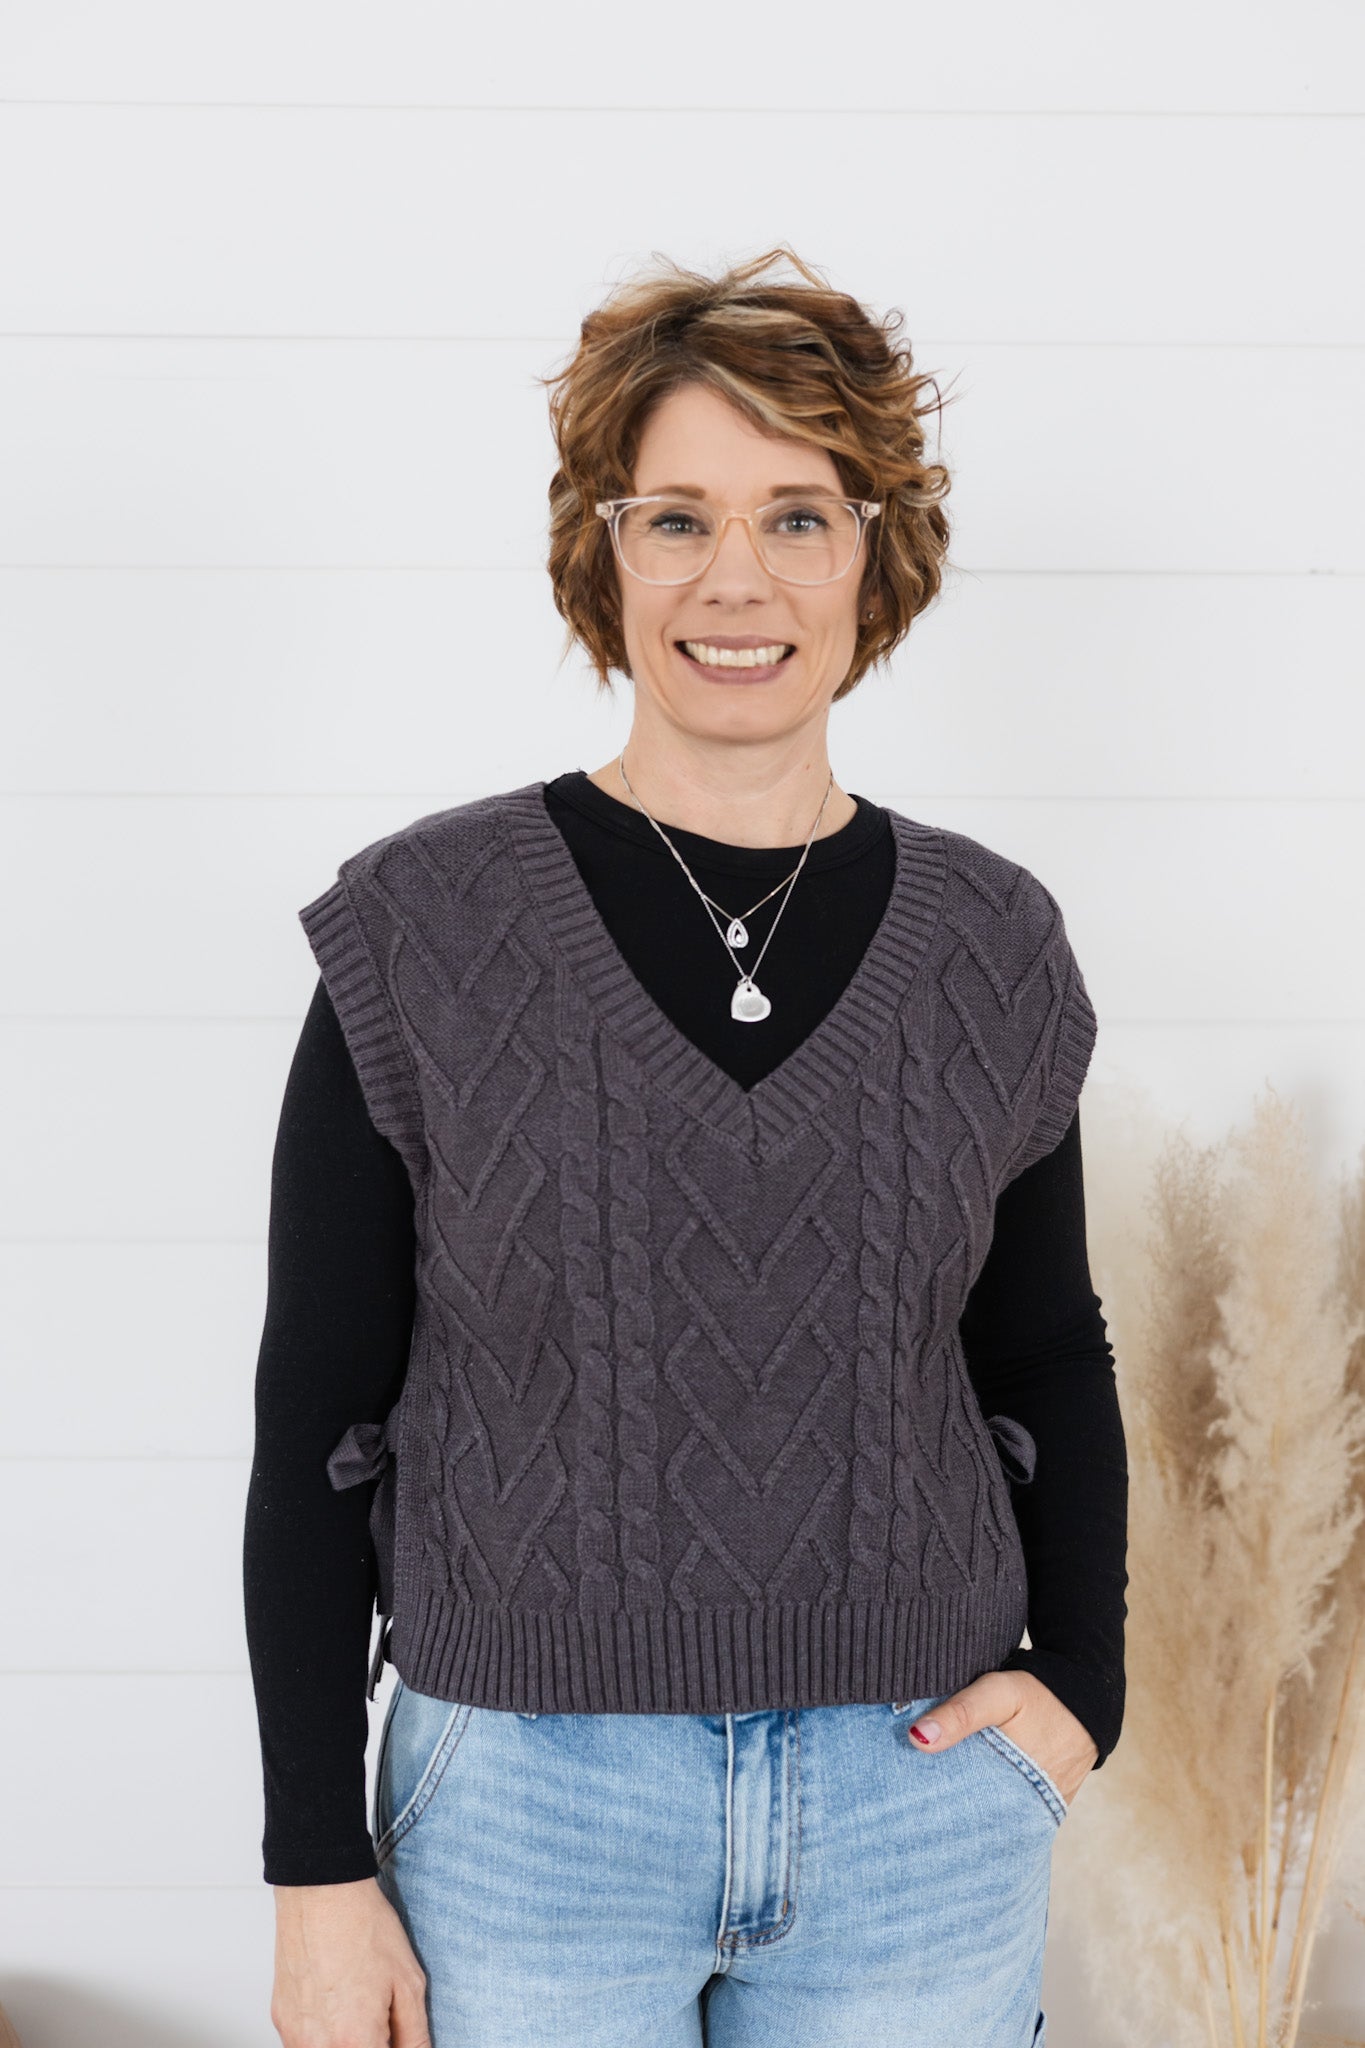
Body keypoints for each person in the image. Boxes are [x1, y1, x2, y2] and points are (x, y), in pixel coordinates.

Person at [244, 245, 1129, 2048]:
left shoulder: (991, 941)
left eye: (798, 517)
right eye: (677, 519)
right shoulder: (423, 931)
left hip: (918, 1801)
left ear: (873, 557)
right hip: (525, 1812)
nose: (738, 579)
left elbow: (1043, 1350)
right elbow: (316, 1415)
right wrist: (315, 1871)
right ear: (606, 554)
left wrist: (1085, 1693)